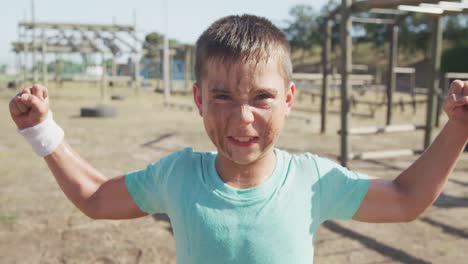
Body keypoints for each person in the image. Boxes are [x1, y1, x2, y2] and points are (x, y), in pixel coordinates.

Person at [8, 14, 468, 264]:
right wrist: (41, 130)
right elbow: (94, 197)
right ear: (198, 98)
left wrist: (459, 127)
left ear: (289, 98)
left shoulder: (313, 181)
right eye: (223, 96)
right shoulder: (177, 175)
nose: (242, 116)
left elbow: (406, 199)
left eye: (262, 97)